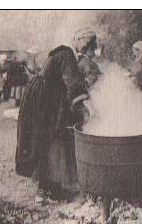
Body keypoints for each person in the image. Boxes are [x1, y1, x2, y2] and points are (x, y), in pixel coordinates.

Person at [15, 28, 94, 203]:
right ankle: (43, 192)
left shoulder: (63, 52)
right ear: (79, 41)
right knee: (48, 141)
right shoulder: (67, 55)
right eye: (87, 43)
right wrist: (87, 105)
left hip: (43, 96)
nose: (88, 47)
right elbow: (71, 82)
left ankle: (53, 188)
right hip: (44, 100)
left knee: (50, 141)